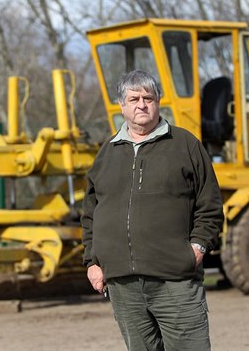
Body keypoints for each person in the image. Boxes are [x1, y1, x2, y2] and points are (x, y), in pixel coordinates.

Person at [81, 69, 224, 351]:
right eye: (134, 99)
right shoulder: (107, 152)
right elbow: (90, 214)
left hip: (175, 279)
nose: (142, 105)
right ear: (122, 105)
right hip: (123, 285)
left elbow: (210, 204)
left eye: (148, 97)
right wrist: (93, 261)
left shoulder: (185, 145)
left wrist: (197, 248)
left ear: (158, 101)